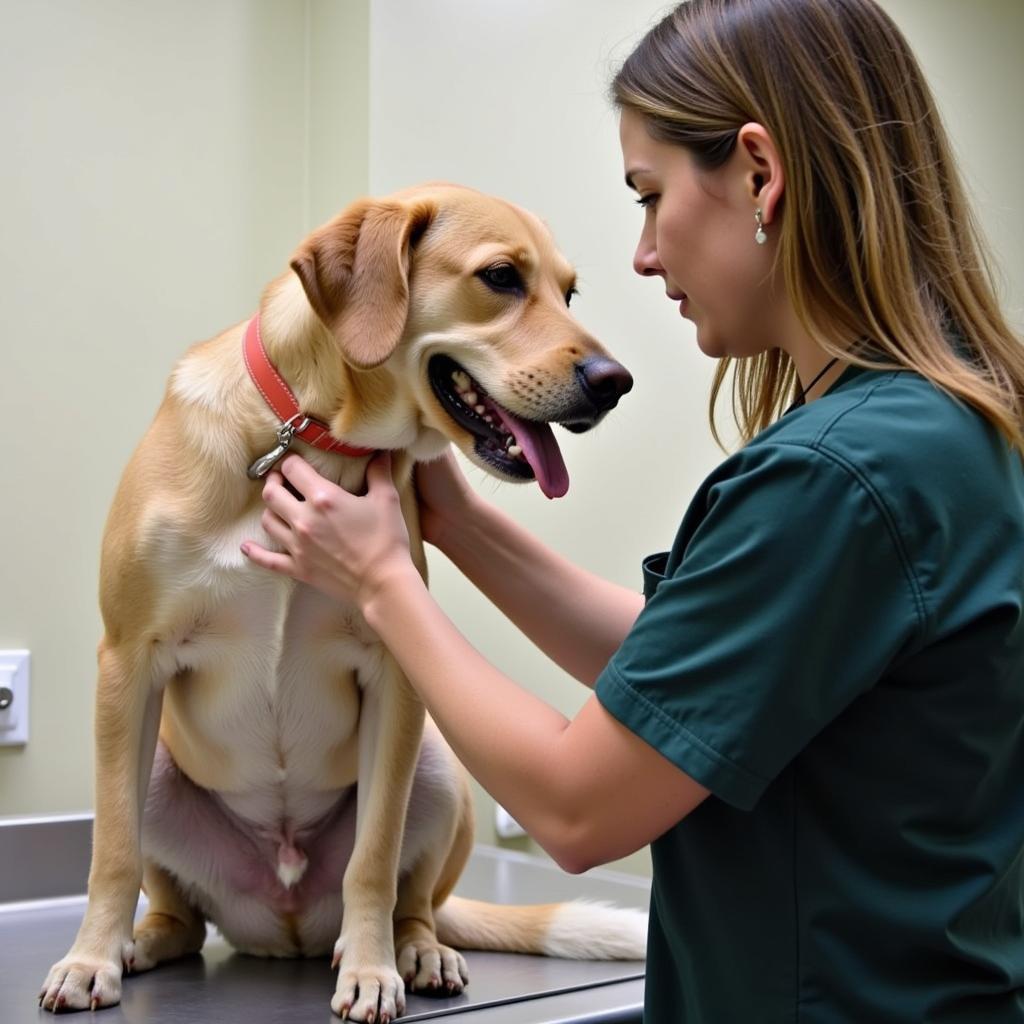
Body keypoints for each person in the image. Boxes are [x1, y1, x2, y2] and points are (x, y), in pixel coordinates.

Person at [241, 0, 1024, 1019]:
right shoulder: (950, 428)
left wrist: (383, 585)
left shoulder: (836, 477)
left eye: (650, 197)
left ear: (758, 173)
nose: (645, 255)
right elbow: (680, 675)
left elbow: (576, 805)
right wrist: (460, 525)